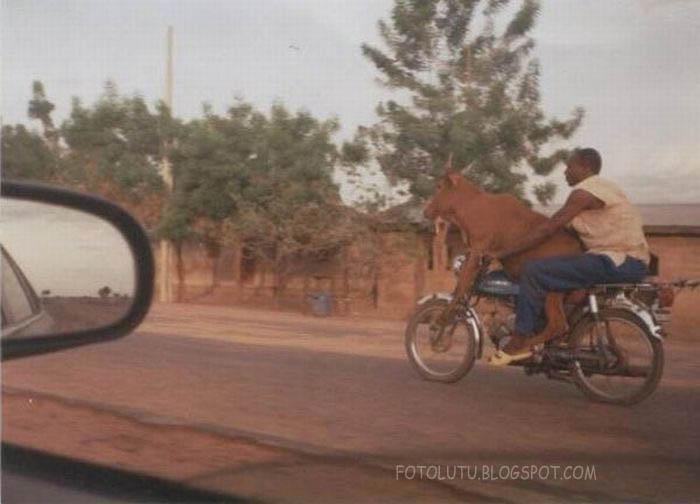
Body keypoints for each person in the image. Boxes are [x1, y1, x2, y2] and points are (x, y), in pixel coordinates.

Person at [489, 147, 650, 365]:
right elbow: (566, 233)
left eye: (569, 166)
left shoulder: (584, 192)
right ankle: (556, 334)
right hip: (627, 261)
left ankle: (519, 340)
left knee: (533, 270)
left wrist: (503, 252)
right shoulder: (607, 189)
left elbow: (548, 229)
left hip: (615, 260)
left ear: (585, 167)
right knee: (555, 272)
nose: (565, 172)